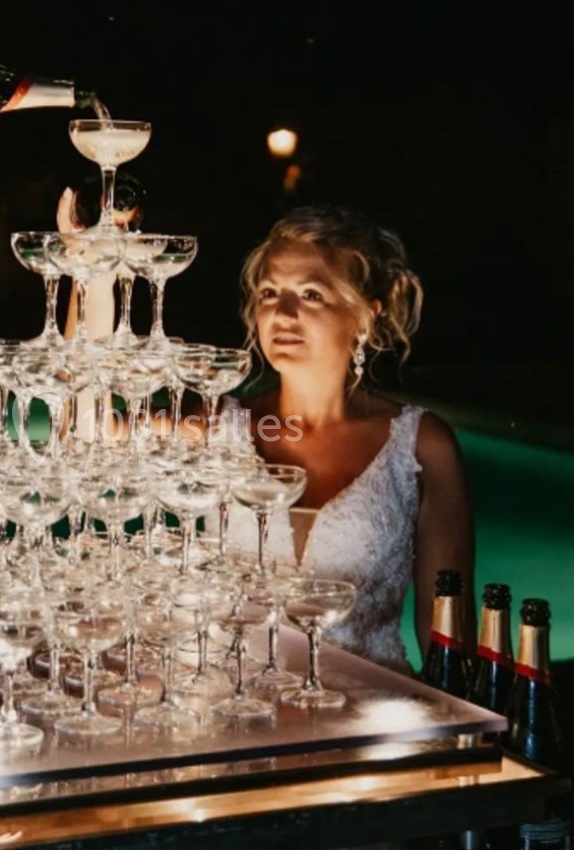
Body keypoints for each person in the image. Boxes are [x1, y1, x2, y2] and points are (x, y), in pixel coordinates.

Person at [221, 203, 476, 677]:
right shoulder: (217, 428)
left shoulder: (421, 446)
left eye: (311, 294)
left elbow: (448, 637)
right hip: (235, 715)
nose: (283, 312)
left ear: (363, 317)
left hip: (369, 721)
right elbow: (84, 429)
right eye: (269, 291)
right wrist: (85, 260)